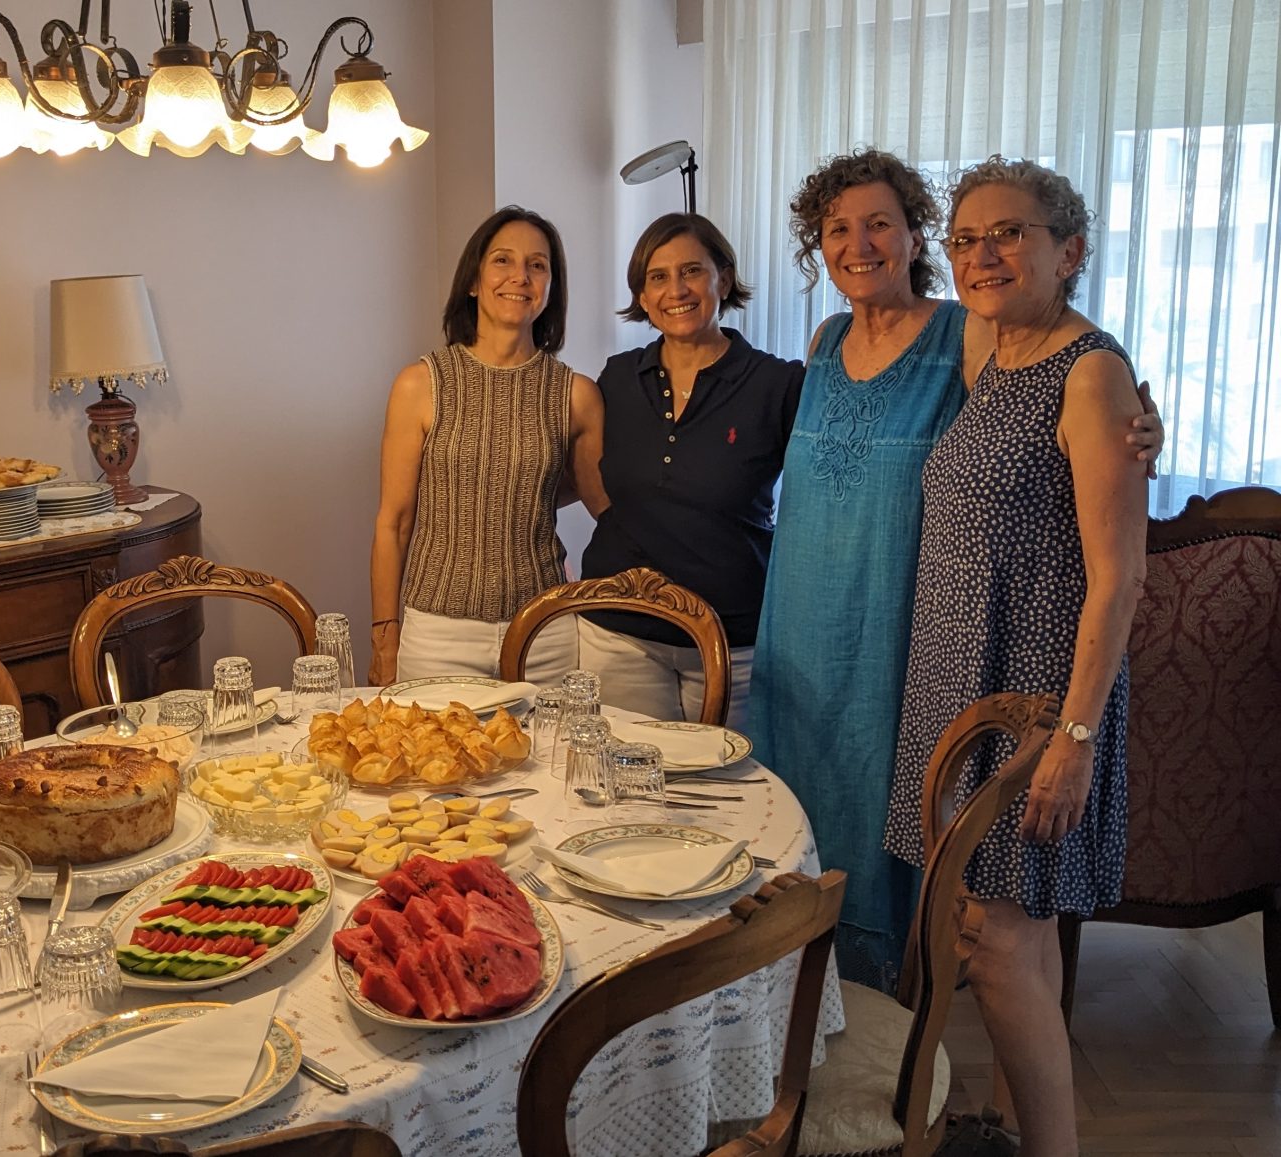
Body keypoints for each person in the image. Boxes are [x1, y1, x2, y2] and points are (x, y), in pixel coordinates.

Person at [744, 149, 1162, 993]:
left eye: (879, 225)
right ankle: (804, 1009)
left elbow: (1050, 375)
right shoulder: (823, 342)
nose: (858, 244)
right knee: (799, 822)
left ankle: (890, 1023)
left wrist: (1140, 423)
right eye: (837, 230)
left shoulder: (963, 330)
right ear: (815, 247)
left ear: (912, 237)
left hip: (903, 636)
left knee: (940, 885)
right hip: (801, 630)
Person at [884, 158, 1148, 1157]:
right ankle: (1002, 1123)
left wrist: (1072, 738)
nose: (982, 253)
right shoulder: (994, 355)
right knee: (996, 939)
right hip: (963, 685)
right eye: (965, 237)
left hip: (1037, 706)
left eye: (1010, 233)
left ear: (1067, 251)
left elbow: (1118, 577)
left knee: (999, 945)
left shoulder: (1091, 372)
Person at [576, 214, 801, 728]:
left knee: (727, 797)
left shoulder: (776, 383)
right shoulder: (617, 376)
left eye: (692, 271)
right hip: (619, 631)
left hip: (731, 639)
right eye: (657, 277)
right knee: (627, 793)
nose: (675, 290)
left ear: (722, 276)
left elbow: (819, 499)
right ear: (642, 293)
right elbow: (589, 476)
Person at [368, 206, 606, 687]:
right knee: (431, 763)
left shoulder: (576, 394)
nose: (519, 276)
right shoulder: (420, 384)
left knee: (550, 761)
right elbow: (393, 523)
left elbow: (606, 503)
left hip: (544, 631)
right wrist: (385, 638)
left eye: (537, 265)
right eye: (502, 260)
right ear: (473, 281)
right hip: (437, 633)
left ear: (549, 288)